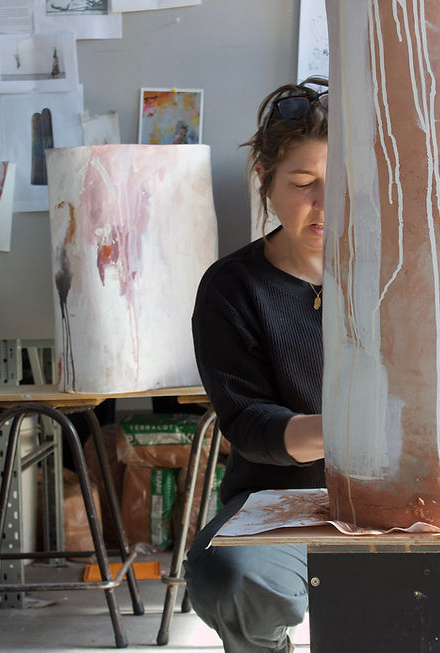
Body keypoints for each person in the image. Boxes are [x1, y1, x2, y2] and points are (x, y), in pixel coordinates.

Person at [184, 77, 329, 653]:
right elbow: (247, 422)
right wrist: (347, 433)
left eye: (344, 183)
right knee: (230, 576)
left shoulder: (403, 274)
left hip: (408, 498)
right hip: (285, 498)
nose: (326, 204)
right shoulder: (233, 288)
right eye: (304, 183)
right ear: (265, 178)